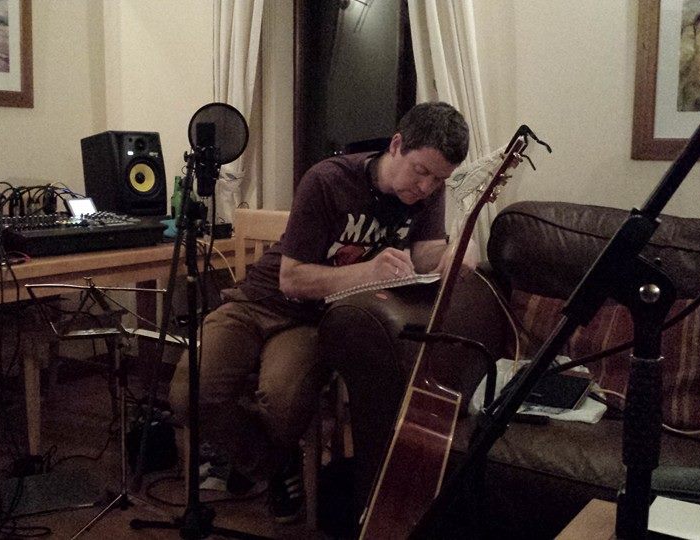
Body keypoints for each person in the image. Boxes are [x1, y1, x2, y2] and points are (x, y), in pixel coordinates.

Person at [168, 101, 478, 524]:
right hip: (257, 300)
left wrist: (456, 250)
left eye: (439, 179)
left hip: (316, 320)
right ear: (396, 145)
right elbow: (291, 279)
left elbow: (425, 253)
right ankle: (275, 464)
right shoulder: (329, 180)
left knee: (282, 404)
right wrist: (368, 271)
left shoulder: (428, 194)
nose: (426, 186)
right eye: (420, 171)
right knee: (190, 392)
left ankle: (261, 459)